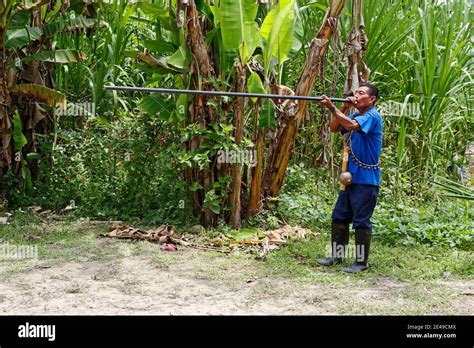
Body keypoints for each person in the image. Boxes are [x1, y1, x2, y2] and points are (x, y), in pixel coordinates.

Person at [317, 83, 382, 273]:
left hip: (366, 180)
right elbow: (335, 128)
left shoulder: (372, 116)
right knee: (340, 216)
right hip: (350, 179)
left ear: (371, 99)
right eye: (356, 92)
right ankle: (337, 256)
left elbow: (352, 126)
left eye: (361, 93)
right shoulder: (354, 115)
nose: (356, 95)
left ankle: (361, 263)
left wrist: (332, 107)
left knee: (361, 221)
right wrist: (343, 108)